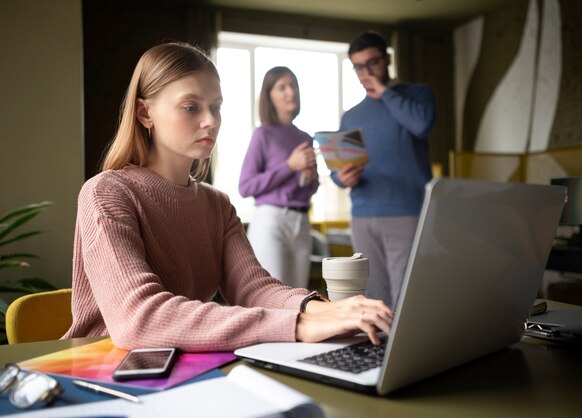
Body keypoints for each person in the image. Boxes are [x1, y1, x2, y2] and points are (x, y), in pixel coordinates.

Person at [62, 42, 393, 352]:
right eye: (191, 107)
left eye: (216, 107)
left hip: (184, 366)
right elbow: (139, 319)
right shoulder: (106, 193)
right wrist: (299, 324)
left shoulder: (217, 204)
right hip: (105, 370)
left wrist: (325, 310)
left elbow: (253, 289)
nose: (210, 121)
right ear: (145, 113)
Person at [332, 31, 437, 309]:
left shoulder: (417, 95)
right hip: (363, 217)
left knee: (409, 295)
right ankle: (379, 353)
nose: (366, 72)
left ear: (388, 59)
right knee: (373, 297)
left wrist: (387, 92)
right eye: (358, 66)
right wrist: (341, 178)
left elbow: (421, 125)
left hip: (408, 213)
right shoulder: (352, 116)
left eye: (373, 63)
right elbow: (338, 170)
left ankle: (412, 353)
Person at [239, 67, 318, 289]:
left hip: (302, 223)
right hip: (272, 222)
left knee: (299, 297)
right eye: (282, 87)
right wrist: (289, 166)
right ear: (269, 96)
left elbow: (308, 189)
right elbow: (245, 186)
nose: (290, 92)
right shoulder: (262, 134)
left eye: (293, 85)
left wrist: (309, 178)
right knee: (274, 296)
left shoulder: (305, 138)